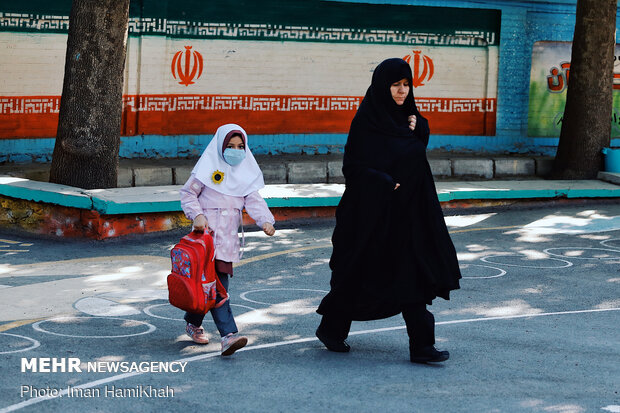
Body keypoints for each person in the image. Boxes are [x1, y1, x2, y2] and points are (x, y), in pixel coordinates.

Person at [315, 58, 462, 363]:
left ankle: (422, 346)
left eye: (406, 84)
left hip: (408, 215)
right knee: (359, 275)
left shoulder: (410, 118)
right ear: (383, 85)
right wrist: (383, 182)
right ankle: (331, 327)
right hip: (373, 217)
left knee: (413, 275)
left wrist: (421, 128)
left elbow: (413, 158)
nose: (402, 91)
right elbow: (352, 167)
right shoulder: (367, 120)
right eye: (396, 85)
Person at [180, 123, 276, 356]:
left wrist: (265, 220)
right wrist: (198, 215)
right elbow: (188, 194)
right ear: (220, 146)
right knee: (217, 290)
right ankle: (228, 336)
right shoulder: (206, 170)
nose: (236, 150)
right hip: (204, 242)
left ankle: (193, 322)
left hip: (227, 244)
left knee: (210, 289)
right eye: (230, 146)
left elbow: (253, 200)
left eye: (241, 146)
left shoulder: (245, 174)